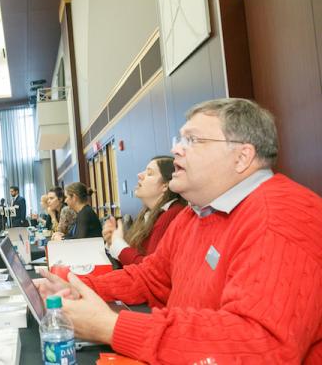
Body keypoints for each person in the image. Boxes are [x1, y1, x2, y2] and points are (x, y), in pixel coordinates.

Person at [36, 98, 322, 363]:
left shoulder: (281, 219)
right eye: (180, 139)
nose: (176, 149)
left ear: (242, 156)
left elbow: (256, 345)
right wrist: (78, 289)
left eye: (193, 140)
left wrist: (112, 327)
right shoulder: (194, 214)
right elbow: (151, 278)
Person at [101, 156, 186, 266]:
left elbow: (149, 270)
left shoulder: (172, 214)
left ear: (165, 185)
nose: (139, 175)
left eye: (149, 173)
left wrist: (118, 245)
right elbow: (130, 263)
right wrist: (113, 241)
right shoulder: (147, 214)